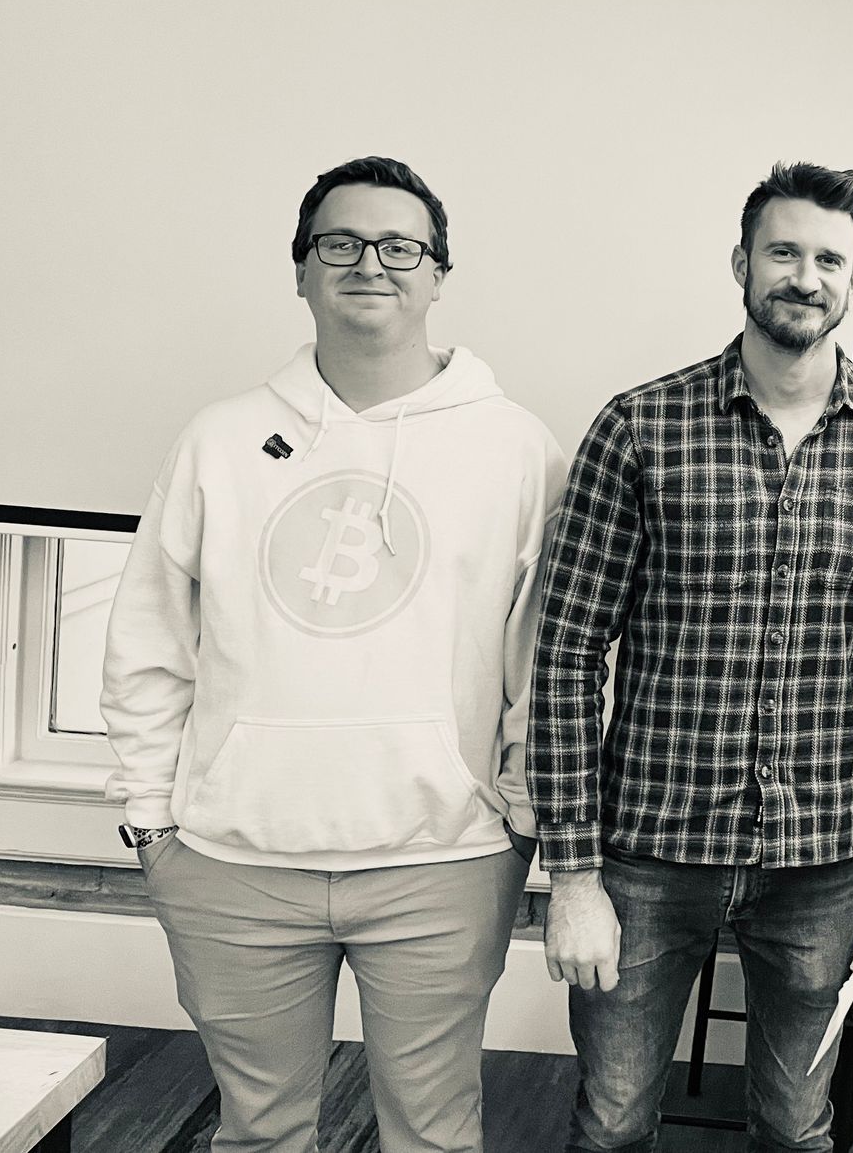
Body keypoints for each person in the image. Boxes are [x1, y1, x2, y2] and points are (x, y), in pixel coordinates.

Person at [102, 156, 565, 1153]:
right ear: (301, 271)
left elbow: (544, 661)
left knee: (432, 1135)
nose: (370, 264)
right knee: (258, 1133)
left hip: (443, 862)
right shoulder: (221, 438)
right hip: (231, 862)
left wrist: (521, 821)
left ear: (438, 275)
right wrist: (150, 819)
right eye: (340, 243)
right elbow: (149, 636)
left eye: (400, 247)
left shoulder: (518, 449)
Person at [530, 161, 853, 1153]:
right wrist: (574, 875)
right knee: (611, 1120)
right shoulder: (640, 429)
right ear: (741, 263)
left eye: (829, 260)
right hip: (646, 851)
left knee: (797, 1127)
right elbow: (564, 655)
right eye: (783, 252)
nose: (804, 277)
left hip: (824, 862)